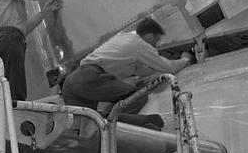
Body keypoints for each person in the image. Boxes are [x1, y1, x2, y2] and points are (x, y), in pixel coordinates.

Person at [61, 17, 192, 129]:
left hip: (71, 83)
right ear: (150, 36)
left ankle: (112, 127)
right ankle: (135, 125)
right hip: (89, 77)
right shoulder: (139, 44)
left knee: (89, 125)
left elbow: (143, 71)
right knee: (136, 96)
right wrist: (185, 59)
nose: (156, 45)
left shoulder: (124, 39)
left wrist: (149, 78)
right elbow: (168, 67)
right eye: (156, 40)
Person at [0, 0, 62, 101]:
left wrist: (45, 11)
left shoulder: (9, 3)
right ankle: (14, 105)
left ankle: (9, 103)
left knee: (10, 79)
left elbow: (24, 29)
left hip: (13, 38)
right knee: (15, 81)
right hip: (10, 38)